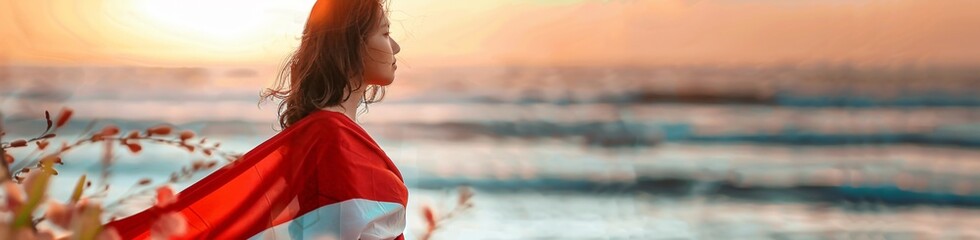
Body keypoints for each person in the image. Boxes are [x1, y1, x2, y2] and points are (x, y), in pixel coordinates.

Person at [105, 0, 407, 239]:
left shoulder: (332, 133)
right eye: (385, 33)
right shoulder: (331, 137)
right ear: (349, 44)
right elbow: (332, 228)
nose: (395, 47)